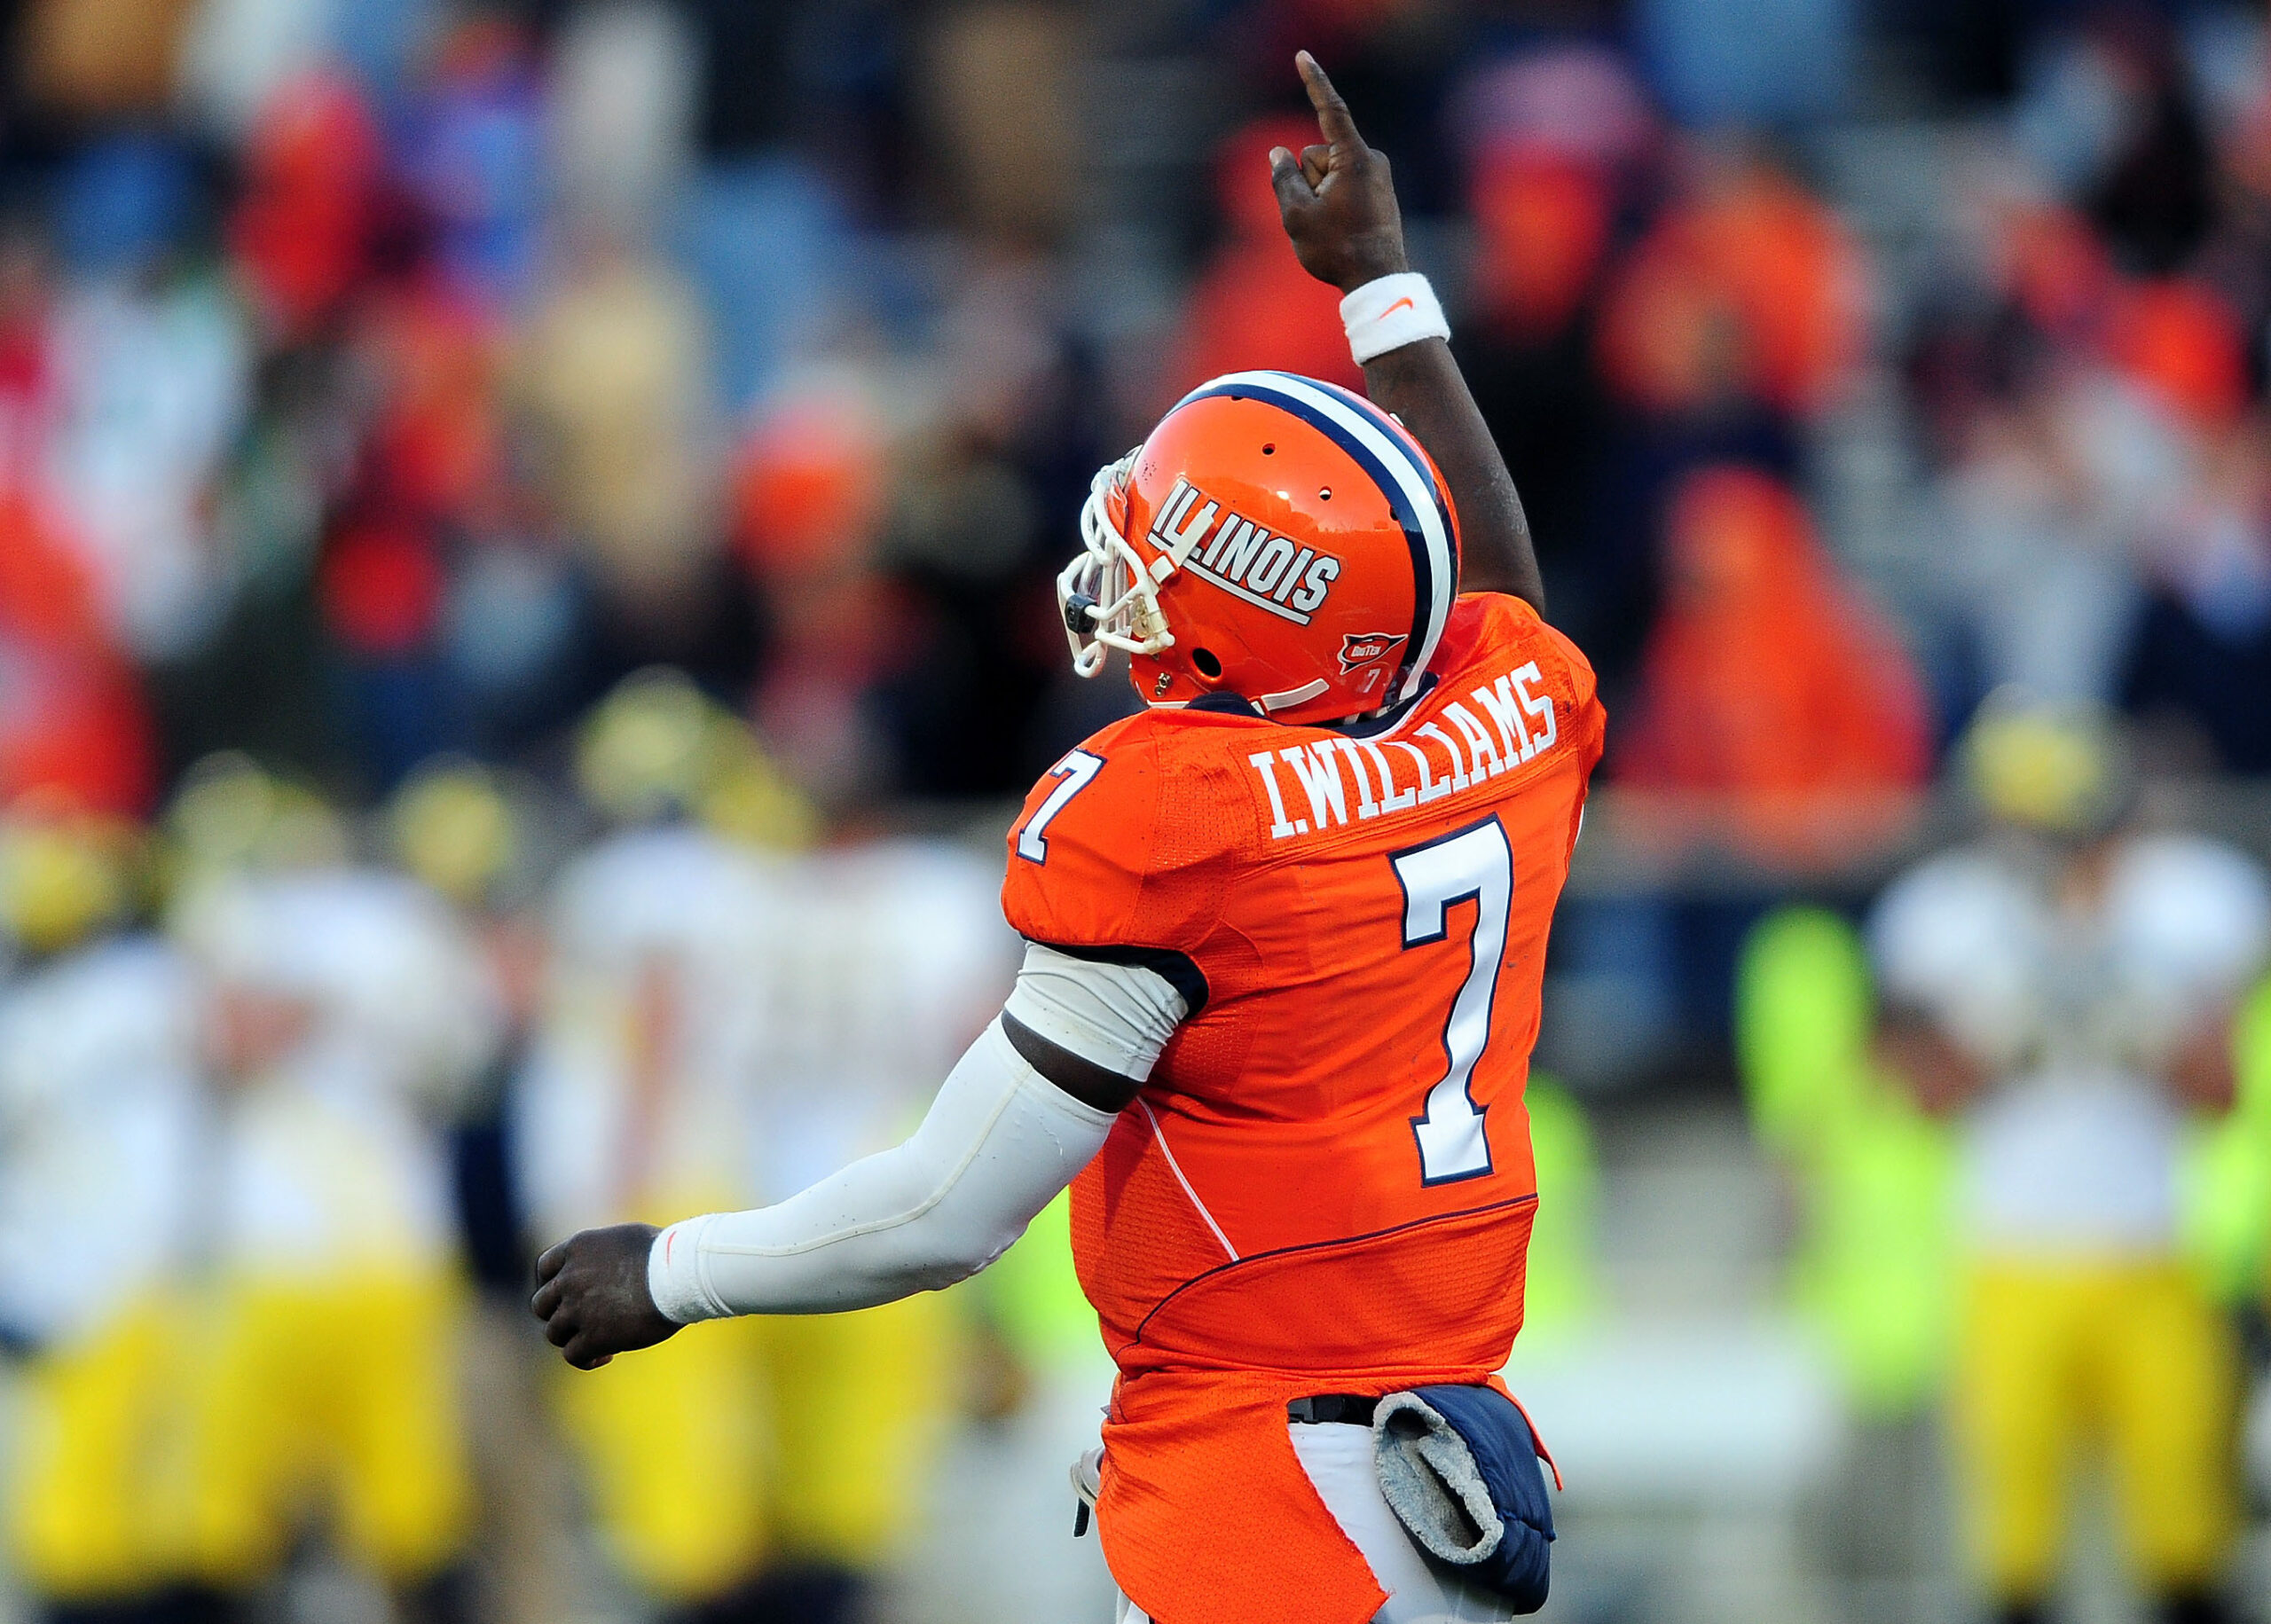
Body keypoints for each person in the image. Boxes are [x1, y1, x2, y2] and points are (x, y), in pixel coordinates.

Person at [534, 54, 1603, 1624]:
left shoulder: (1182, 824)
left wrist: (669, 1272)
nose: (1128, 576)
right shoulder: (1502, 721)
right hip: (1435, 1458)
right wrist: (1387, 295)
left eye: (1165, 556)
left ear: (1259, 617)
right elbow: (1491, 598)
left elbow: (946, 1210)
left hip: (1261, 1490)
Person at [1869, 697, 2270, 1624]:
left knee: (2184, 1535)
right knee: (2015, 1550)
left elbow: (2221, 1094)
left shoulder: (2184, 902)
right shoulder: (1948, 916)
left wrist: (2143, 1022)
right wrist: (2002, 1035)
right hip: (2011, 1258)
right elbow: (1921, 1098)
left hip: (2153, 1255)